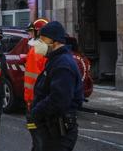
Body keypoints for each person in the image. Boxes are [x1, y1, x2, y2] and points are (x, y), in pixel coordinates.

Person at [31, 21, 83, 151]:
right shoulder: (55, 60)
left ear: (55, 41)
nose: (39, 43)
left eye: (43, 39)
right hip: (51, 128)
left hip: (59, 131)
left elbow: (59, 99)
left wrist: (36, 111)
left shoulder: (63, 64)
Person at [24, 18, 49, 151]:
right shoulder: (44, 51)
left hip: (35, 103)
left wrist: (29, 102)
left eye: (31, 32)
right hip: (42, 102)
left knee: (38, 142)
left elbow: (31, 81)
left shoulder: (36, 52)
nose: (30, 35)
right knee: (42, 142)